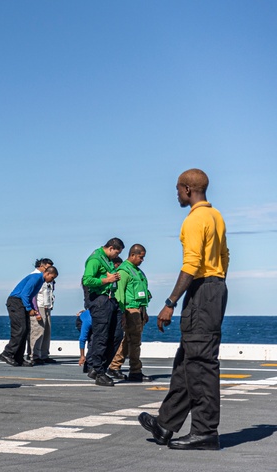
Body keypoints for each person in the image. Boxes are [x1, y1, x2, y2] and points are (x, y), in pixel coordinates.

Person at [140, 169, 229, 451]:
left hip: (201, 290)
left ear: (188, 189)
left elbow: (191, 264)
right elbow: (225, 256)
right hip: (214, 287)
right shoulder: (216, 217)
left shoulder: (194, 220)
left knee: (201, 363)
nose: (176, 194)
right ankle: (166, 424)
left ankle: (205, 432)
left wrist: (170, 302)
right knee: (187, 360)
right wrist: (216, 282)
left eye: (178, 189)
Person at [81, 238, 125, 386]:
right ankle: (98, 371)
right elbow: (87, 280)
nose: (117, 255)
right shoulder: (95, 259)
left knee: (117, 335)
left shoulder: (107, 260)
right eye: (117, 252)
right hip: (100, 300)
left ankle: (100, 367)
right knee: (101, 336)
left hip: (111, 300)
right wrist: (106, 280)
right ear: (111, 248)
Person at [108, 244, 152, 382]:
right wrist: (122, 314)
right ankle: (135, 370)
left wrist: (144, 310)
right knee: (134, 342)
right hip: (130, 309)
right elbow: (119, 294)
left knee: (130, 340)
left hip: (139, 309)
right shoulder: (124, 271)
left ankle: (115, 366)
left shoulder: (137, 272)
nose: (142, 260)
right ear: (133, 255)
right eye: (141, 257)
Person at [0, 265, 58, 366]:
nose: (51, 280)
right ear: (47, 273)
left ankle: (19, 358)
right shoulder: (36, 278)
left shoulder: (40, 281)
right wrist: (29, 308)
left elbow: (30, 296)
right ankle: (7, 353)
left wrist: (34, 309)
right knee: (20, 329)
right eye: (52, 277)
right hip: (16, 302)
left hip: (22, 303)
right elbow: (24, 294)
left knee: (25, 330)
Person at [29, 259, 56, 365]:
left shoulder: (48, 278)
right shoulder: (34, 276)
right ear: (41, 266)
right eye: (47, 268)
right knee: (38, 331)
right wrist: (35, 310)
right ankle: (34, 355)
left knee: (46, 332)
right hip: (39, 306)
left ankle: (44, 355)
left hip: (47, 306)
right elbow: (32, 295)